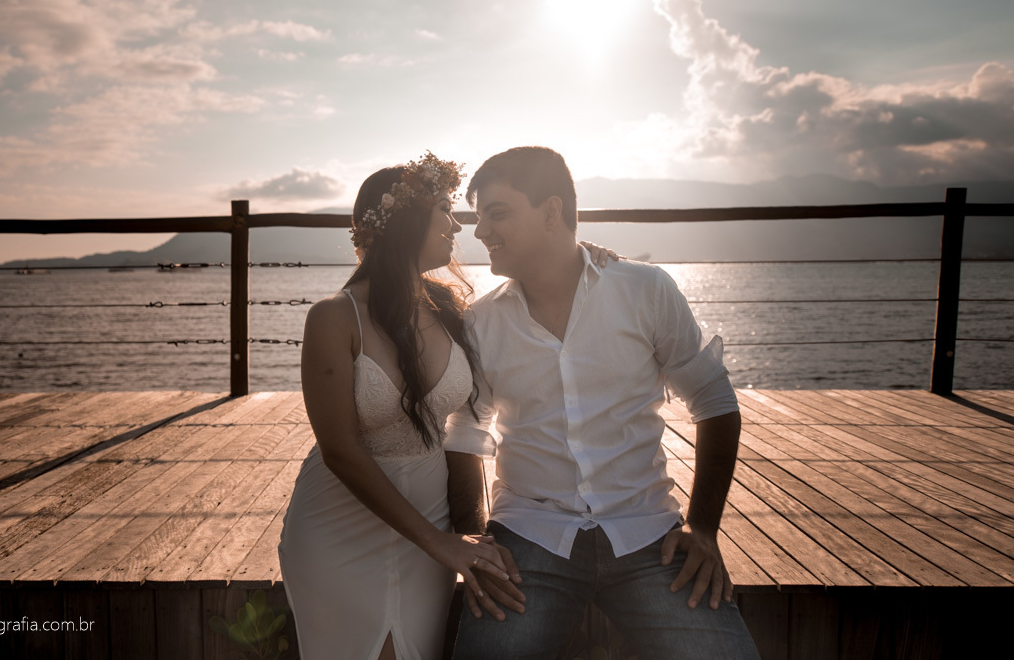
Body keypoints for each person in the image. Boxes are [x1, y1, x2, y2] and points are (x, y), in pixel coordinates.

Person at [445, 147, 761, 660]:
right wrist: (470, 536)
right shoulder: (480, 322)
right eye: (477, 217)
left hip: (648, 536)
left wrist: (703, 528)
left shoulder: (645, 290)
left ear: (551, 211)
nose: (479, 232)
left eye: (496, 213)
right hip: (529, 539)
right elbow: (466, 429)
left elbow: (713, 399)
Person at [278, 152, 511, 660]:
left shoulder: (452, 311)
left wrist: (591, 254)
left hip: (428, 523)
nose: (457, 224)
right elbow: (339, 450)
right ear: (407, 223)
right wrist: (439, 541)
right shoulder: (333, 318)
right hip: (339, 526)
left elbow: (532, 292)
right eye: (445, 211)